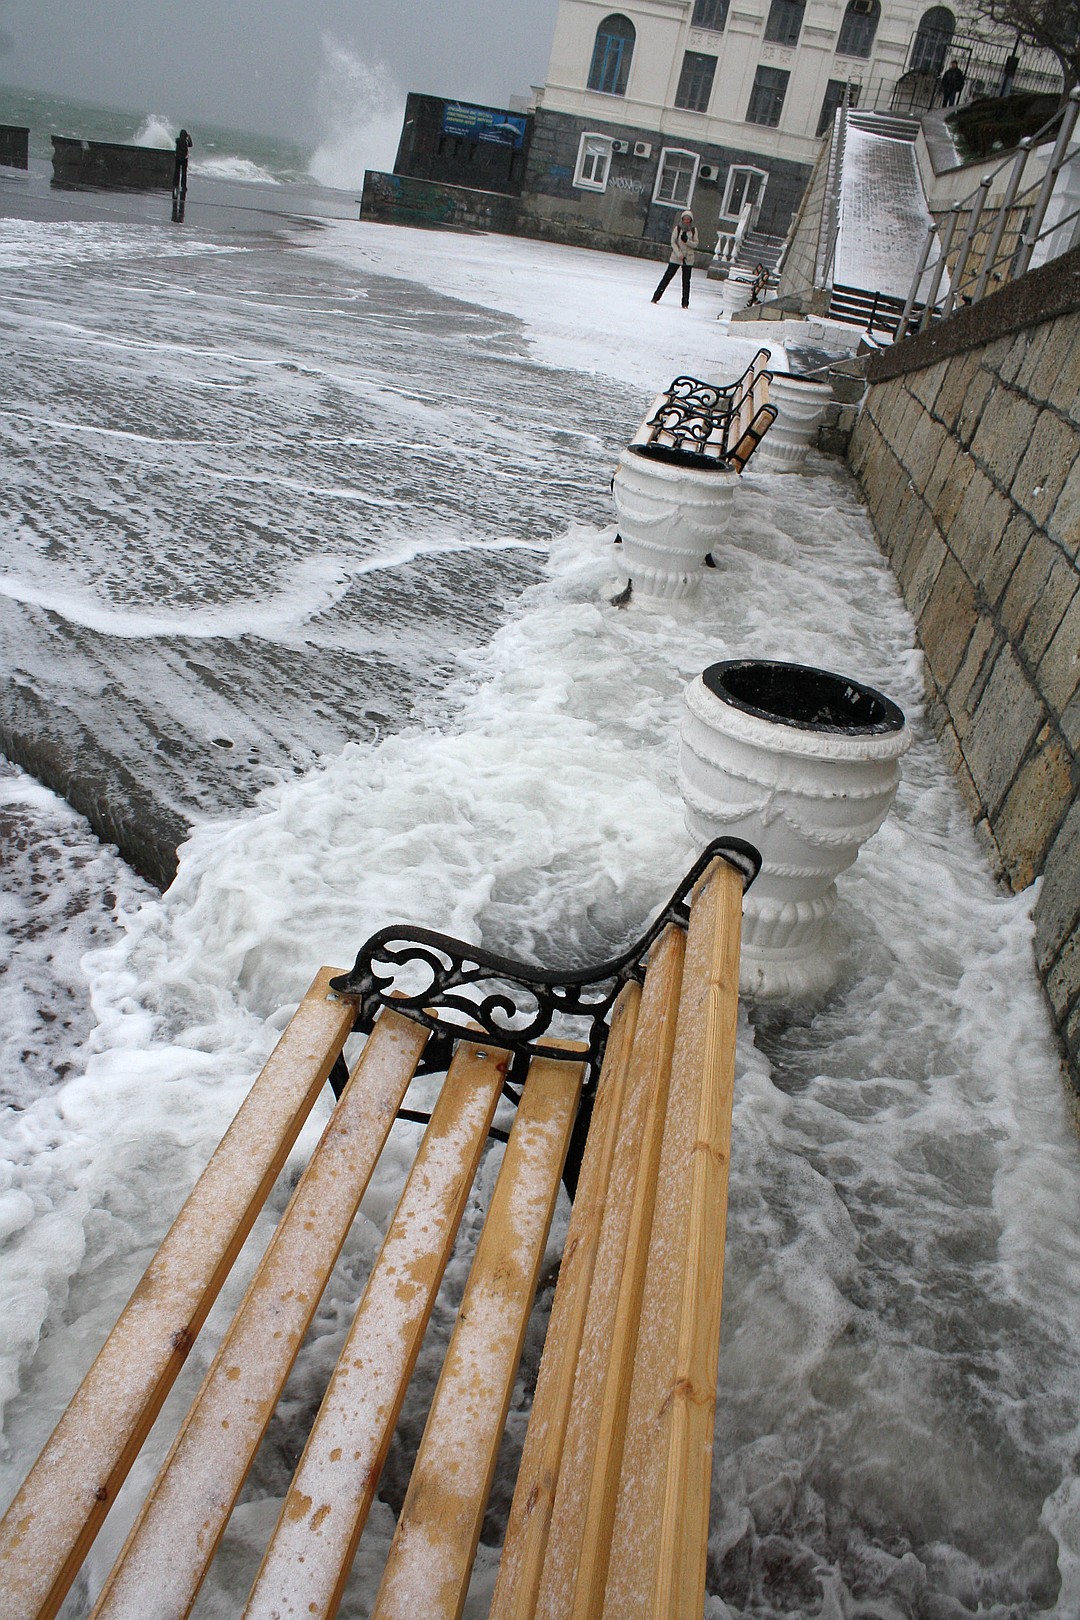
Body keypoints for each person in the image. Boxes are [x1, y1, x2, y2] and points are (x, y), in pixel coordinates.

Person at [651, 211, 699, 308]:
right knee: (667, 277)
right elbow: (673, 242)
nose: (686, 221)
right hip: (676, 257)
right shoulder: (677, 229)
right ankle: (656, 297)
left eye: (688, 219)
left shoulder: (693, 230)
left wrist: (687, 241)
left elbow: (695, 244)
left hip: (688, 258)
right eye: (685, 219)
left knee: (686, 281)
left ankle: (685, 303)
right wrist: (678, 253)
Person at [172, 128, 192, 196]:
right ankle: (183, 186)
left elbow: (176, 141)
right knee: (184, 173)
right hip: (184, 159)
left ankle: (175, 184)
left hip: (177, 158)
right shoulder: (186, 141)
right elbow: (191, 145)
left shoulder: (177, 140)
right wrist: (189, 137)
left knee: (176, 171)